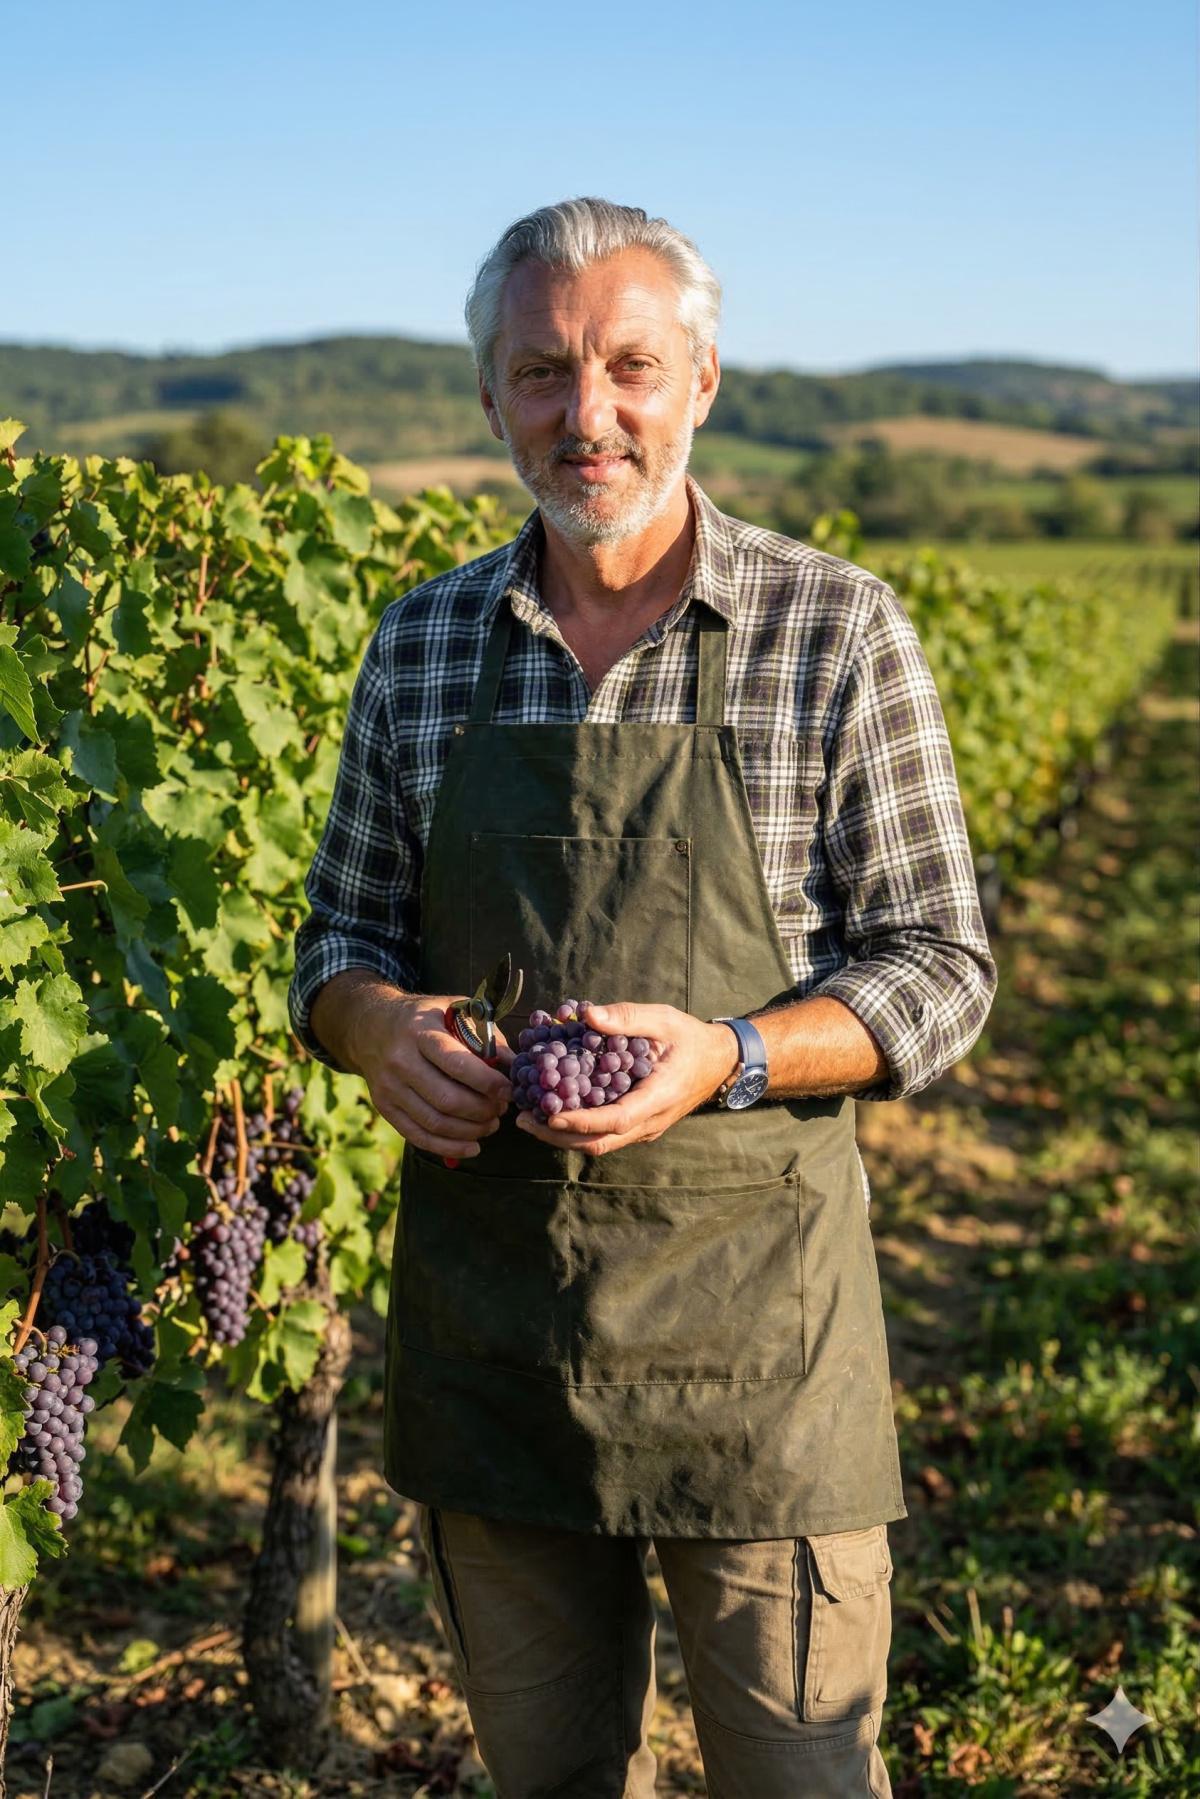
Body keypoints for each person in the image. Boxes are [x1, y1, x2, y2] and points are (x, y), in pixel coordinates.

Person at [288, 197, 997, 1799]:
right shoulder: (422, 647)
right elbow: (336, 938)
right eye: (542, 372)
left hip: (760, 1348)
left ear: (703, 381)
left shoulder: (833, 634)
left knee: (802, 1776)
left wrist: (732, 1055)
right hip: (500, 1339)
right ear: (490, 399)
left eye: (628, 366)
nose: (586, 414)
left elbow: (943, 969)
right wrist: (375, 1027)